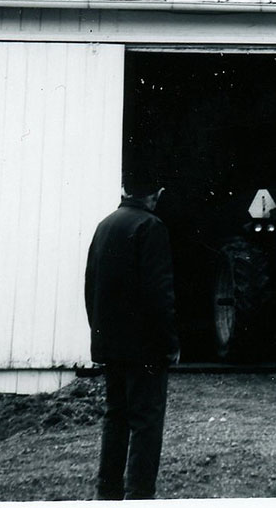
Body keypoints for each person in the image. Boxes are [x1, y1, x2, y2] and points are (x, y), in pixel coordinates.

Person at [84, 176, 180, 500]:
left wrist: (100, 334)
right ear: (159, 193)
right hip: (146, 349)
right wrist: (169, 344)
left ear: (124, 190)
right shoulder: (152, 228)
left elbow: (90, 287)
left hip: (111, 345)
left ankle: (106, 492)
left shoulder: (104, 226)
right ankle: (139, 495)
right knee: (146, 422)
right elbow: (159, 295)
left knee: (116, 416)